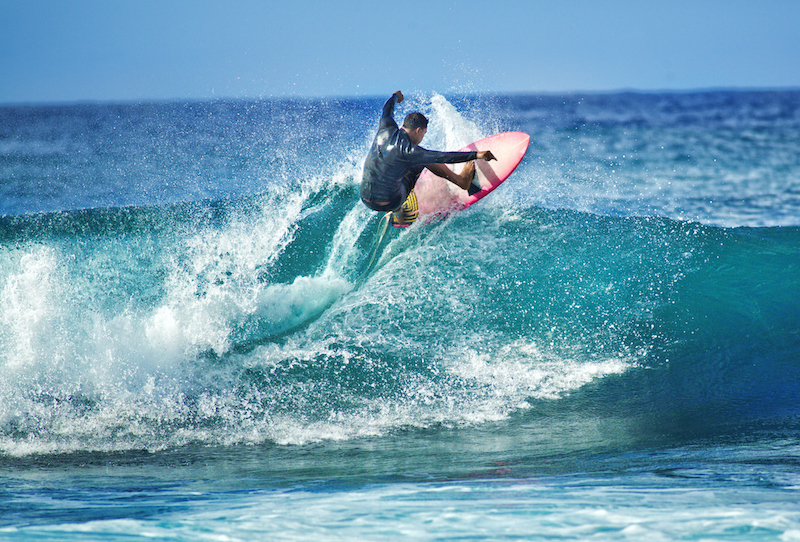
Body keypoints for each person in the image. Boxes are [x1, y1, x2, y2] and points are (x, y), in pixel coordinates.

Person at [361, 91, 495, 223]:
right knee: (425, 159)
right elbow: (441, 157)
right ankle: (461, 181)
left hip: (365, 198)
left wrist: (395, 96)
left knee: (393, 165)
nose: (422, 138)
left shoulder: (386, 127)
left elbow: (387, 110)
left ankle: (398, 212)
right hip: (389, 202)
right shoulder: (408, 150)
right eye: (423, 134)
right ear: (419, 130)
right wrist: (477, 154)